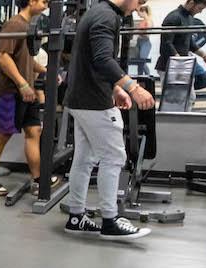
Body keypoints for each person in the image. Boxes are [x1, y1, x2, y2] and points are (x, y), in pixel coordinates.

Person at [61, 0, 154, 240]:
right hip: (94, 102)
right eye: (139, 2)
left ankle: (76, 216)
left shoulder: (96, 12)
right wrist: (133, 88)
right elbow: (103, 60)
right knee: (114, 157)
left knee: (84, 158)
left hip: (80, 99)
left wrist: (116, 89)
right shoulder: (106, 17)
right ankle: (110, 220)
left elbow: (92, 61)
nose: (137, 8)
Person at [0, 0, 58, 196]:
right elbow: (3, 57)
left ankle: (38, 179)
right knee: (4, 133)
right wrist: (22, 84)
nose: (47, 4)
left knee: (34, 131)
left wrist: (47, 70)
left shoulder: (28, 27)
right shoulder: (14, 24)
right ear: (31, 2)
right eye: (43, 1)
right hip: (11, 91)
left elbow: (26, 59)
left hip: (26, 90)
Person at [157, 0, 206, 89]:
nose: (200, 12)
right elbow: (166, 44)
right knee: (173, 99)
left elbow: (190, 43)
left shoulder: (189, 18)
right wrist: (180, 63)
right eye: (200, 8)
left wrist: (204, 56)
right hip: (170, 67)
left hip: (181, 66)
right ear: (191, 3)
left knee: (189, 98)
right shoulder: (173, 17)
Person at [134, 3, 154, 76]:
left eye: (139, 13)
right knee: (139, 62)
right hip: (139, 41)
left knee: (142, 61)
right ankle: (140, 78)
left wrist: (138, 31)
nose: (138, 14)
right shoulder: (142, 21)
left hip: (145, 42)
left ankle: (148, 76)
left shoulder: (149, 21)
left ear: (144, 12)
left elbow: (147, 32)